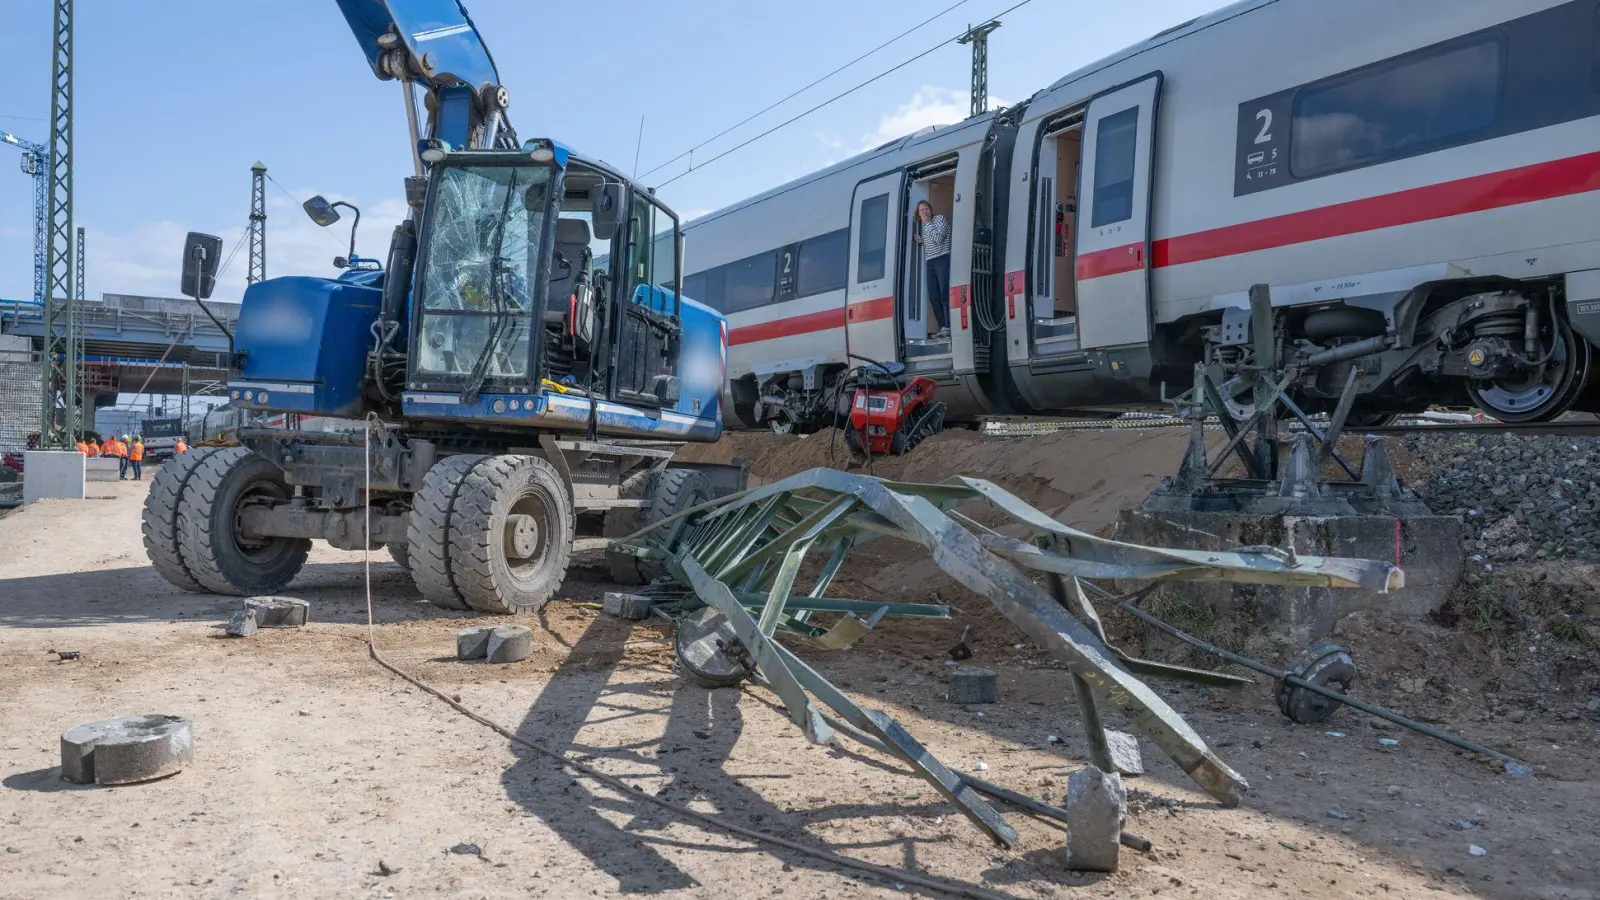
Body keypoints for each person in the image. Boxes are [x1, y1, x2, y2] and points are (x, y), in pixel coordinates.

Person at [914, 200, 951, 338]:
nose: (924, 211)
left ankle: (948, 326)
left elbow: (938, 238)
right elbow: (930, 242)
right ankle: (943, 327)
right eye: (921, 210)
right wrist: (922, 241)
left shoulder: (939, 219)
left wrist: (927, 223)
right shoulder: (924, 226)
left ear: (931, 209)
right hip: (930, 262)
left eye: (926, 208)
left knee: (944, 294)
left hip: (942, 259)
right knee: (934, 296)